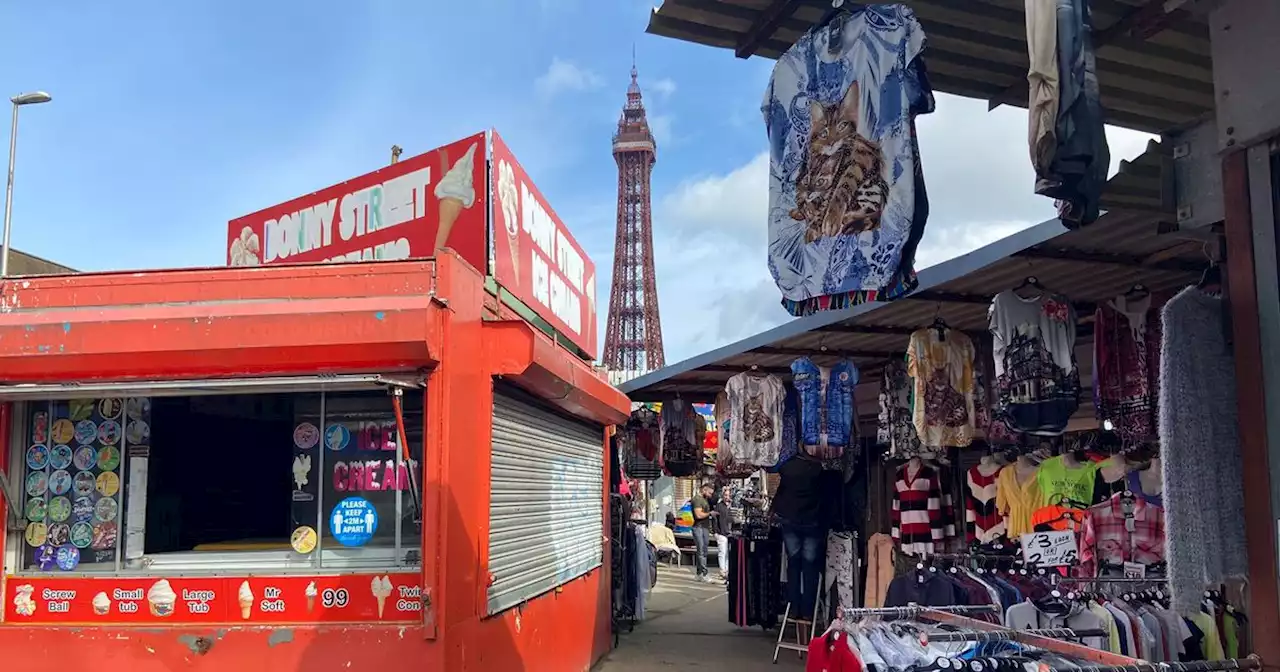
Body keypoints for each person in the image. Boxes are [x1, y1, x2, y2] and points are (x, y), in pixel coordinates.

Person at [770, 453, 827, 619]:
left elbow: (781, 492)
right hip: (811, 520)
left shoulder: (786, 468)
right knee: (810, 566)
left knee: (793, 563)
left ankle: (794, 607)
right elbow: (823, 495)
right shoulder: (816, 468)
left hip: (789, 519)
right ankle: (808, 610)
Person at [690, 482, 717, 582]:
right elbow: (698, 515)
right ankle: (704, 574)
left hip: (704, 528)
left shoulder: (705, 500)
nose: (710, 495)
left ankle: (699, 573)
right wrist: (710, 513)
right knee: (701, 551)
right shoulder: (697, 499)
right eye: (709, 493)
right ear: (704, 489)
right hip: (699, 527)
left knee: (703, 551)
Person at [714, 486, 734, 582]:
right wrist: (715, 531)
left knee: (727, 553)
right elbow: (715, 519)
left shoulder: (728, 506)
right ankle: (722, 570)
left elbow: (730, 519)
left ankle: (726, 570)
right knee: (722, 552)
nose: (727, 497)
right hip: (721, 532)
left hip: (727, 532)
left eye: (728, 495)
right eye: (725, 495)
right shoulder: (719, 506)